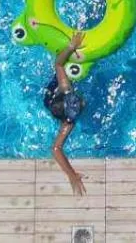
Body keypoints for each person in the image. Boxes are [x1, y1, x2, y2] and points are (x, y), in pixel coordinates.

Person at [45, 29, 88, 195]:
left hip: (54, 93)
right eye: (77, 110)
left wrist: (71, 47)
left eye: (76, 101)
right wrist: (71, 175)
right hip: (52, 103)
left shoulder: (65, 87)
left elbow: (58, 64)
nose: (81, 103)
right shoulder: (68, 123)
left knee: (62, 71)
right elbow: (55, 148)